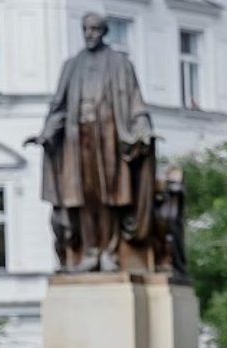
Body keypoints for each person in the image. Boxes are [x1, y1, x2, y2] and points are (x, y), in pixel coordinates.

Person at [25, 12, 155, 272]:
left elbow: (135, 103)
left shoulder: (120, 64)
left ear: (104, 32)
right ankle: (90, 250)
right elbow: (59, 106)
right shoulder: (72, 66)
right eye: (85, 29)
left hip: (109, 138)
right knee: (83, 196)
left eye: (95, 29)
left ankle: (109, 251)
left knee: (109, 196)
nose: (89, 34)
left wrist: (143, 130)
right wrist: (46, 134)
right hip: (78, 140)